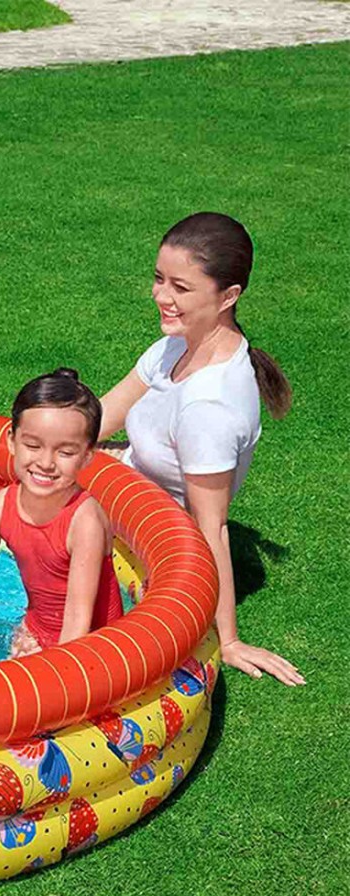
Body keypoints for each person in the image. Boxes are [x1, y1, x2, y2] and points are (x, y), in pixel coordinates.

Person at [98, 212, 303, 686]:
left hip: (155, 530)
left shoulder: (209, 407)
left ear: (228, 297)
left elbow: (211, 528)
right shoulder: (177, 346)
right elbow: (105, 416)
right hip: (127, 482)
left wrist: (227, 641)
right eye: (159, 279)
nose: (160, 296)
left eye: (180, 288)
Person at [0, 369, 122, 673]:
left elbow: (78, 619)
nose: (46, 462)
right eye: (33, 446)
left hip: (95, 646)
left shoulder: (84, 522)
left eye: (66, 452)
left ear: (87, 456)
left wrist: (60, 678)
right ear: (12, 441)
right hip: (35, 632)